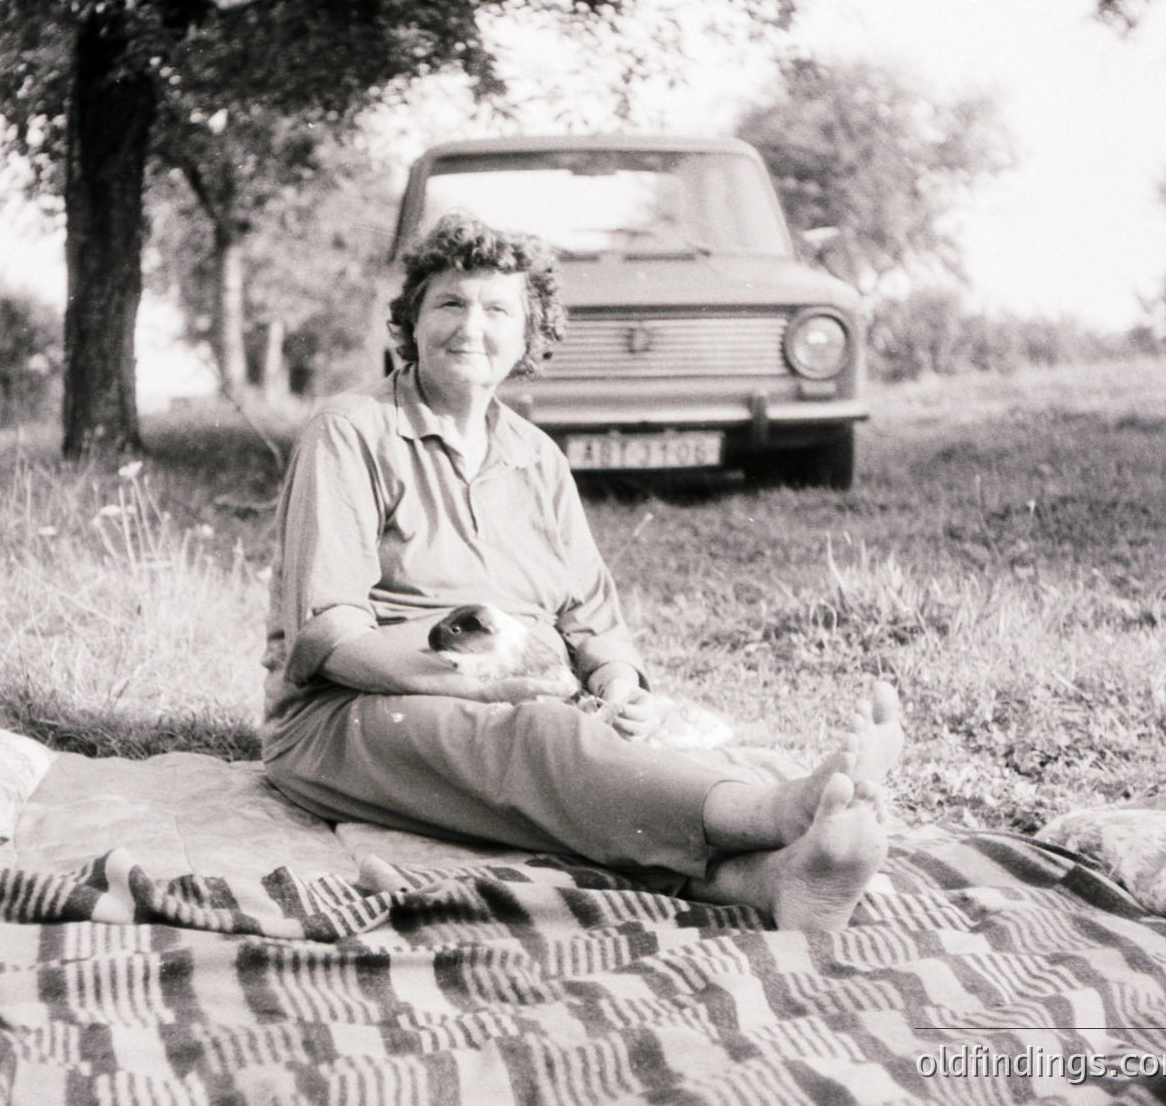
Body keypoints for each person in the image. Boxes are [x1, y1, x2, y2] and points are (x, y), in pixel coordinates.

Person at [259, 213, 903, 931]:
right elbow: (328, 635)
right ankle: (778, 811)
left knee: (629, 746)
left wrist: (620, 688)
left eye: (498, 309)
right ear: (408, 322)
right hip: (346, 719)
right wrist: (474, 678)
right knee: (543, 744)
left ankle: (771, 881)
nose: (471, 327)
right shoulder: (350, 430)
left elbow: (594, 624)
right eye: (449, 303)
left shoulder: (538, 458)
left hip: (528, 704)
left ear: (530, 337)